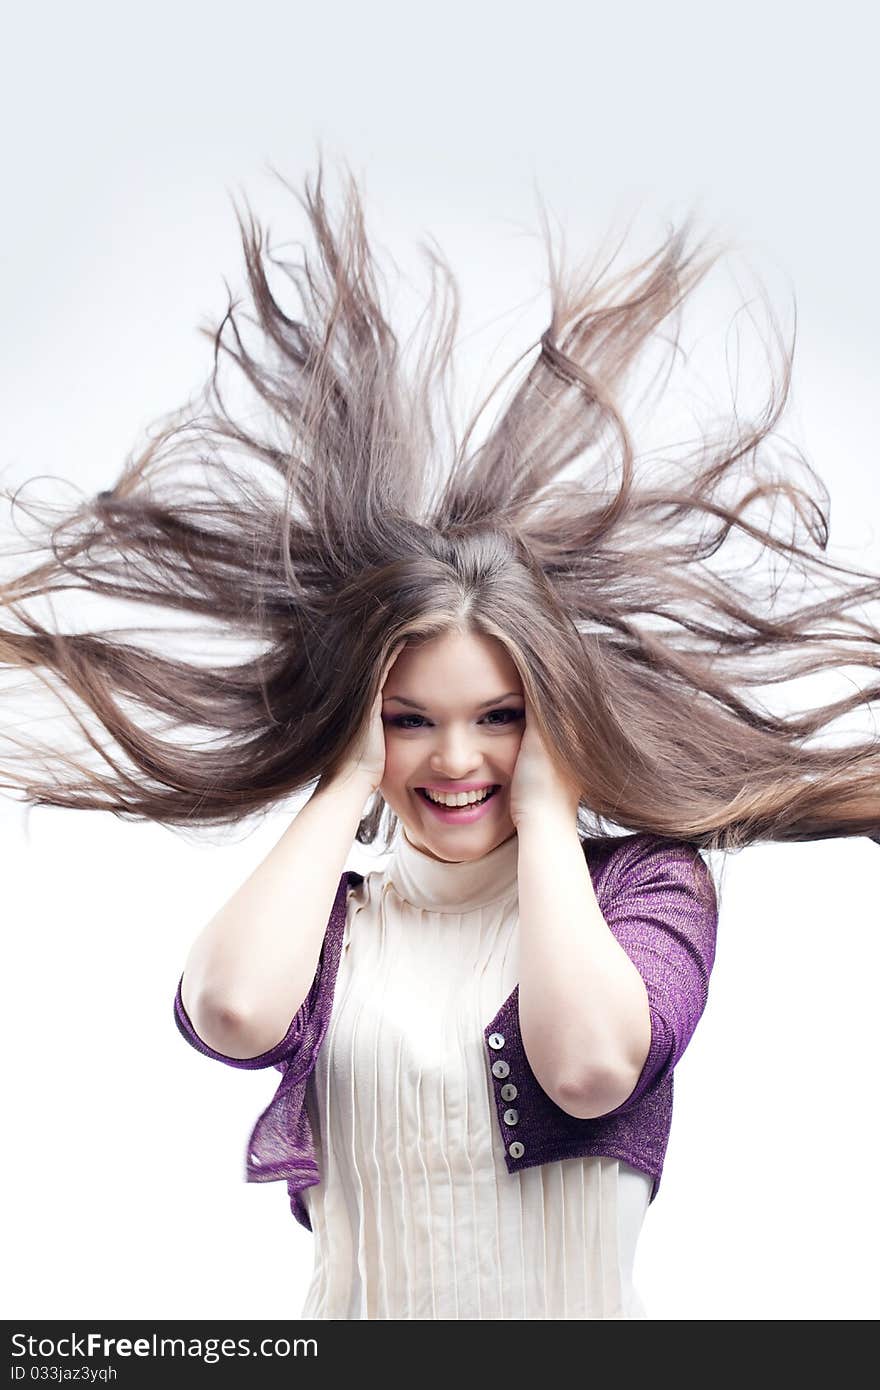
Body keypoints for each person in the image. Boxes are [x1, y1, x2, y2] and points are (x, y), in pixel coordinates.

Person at [1, 158, 878, 1319]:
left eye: (500, 718)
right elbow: (227, 1009)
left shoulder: (646, 891)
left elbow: (589, 1063)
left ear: (553, 717)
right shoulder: (342, 913)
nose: (455, 760)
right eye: (411, 719)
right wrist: (346, 780)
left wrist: (548, 808)